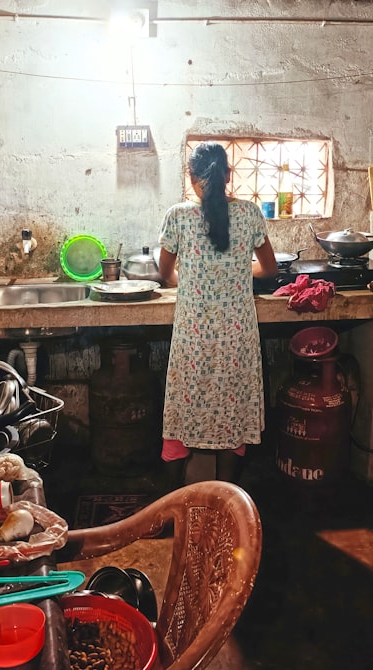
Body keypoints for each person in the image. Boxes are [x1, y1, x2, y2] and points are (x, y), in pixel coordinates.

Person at [157, 141, 279, 487]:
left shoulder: (178, 216)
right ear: (227, 174)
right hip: (236, 334)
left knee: (180, 416)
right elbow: (269, 269)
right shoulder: (250, 213)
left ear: (192, 176)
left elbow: (165, 274)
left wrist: (194, 279)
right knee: (233, 414)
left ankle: (171, 510)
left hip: (193, 336)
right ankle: (228, 504)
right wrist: (238, 272)